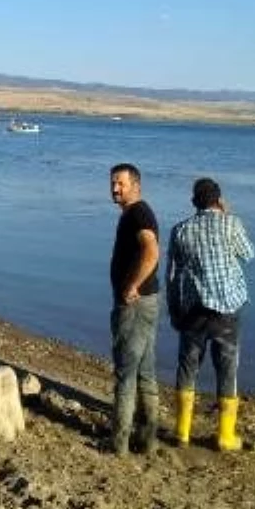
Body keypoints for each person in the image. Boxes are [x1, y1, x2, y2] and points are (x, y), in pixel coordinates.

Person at [166, 178, 255, 452]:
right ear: (219, 200)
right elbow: (249, 254)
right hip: (228, 310)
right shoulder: (231, 222)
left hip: (193, 311)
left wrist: (174, 310)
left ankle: (182, 433)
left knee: (187, 367)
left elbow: (172, 276)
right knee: (227, 368)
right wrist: (227, 215)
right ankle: (225, 437)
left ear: (194, 202)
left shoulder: (180, 230)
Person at [107, 163, 161, 455]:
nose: (115, 189)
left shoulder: (139, 213)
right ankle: (149, 441)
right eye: (113, 183)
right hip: (149, 302)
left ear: (135, 185)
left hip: (136, 305)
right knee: (145, 372)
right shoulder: (135, 213)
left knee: (126, 374)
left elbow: (151, 251)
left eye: (121, 184)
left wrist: (132, 286)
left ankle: (119, 445)